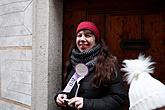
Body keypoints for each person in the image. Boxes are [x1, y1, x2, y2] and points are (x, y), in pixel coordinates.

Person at [55, 21, 127, 110]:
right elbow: (69, 89)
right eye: (79, 35)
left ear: (96, 40)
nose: (82, 39)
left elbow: (117, 99)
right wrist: (61, 95)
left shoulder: (109, 64)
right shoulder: (72, 62)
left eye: (88, 35)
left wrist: (86, 103)